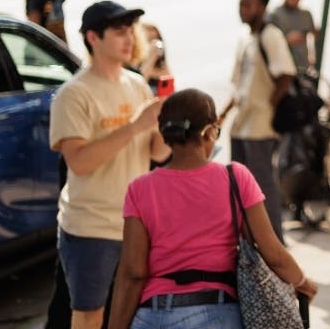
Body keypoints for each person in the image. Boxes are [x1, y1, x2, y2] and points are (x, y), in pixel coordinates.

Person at [108, 88, 316, 329]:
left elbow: (132, 273)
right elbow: (273, 254)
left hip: (153, 315)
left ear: (165, 137)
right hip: (216, 312)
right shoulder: (235, 178)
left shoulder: (139, 189)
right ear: (208, 132)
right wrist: (302, 282)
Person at [49, 1, 171, 329]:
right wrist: (135, 124)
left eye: (130, 30)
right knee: (89, 317)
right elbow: (79, 161)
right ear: (93, 37)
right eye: (119, 31)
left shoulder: (135, 84)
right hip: (91, 227)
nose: (129, 38)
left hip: (135, 226)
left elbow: (157, 155)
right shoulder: (73, 95)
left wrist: (164, 120)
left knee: (131, 315)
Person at [219, 0, 295, 242]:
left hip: (261, 124)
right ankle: (248, 239)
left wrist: (269, 107)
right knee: (239, 186)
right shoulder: (247, 39)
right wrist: (223, 113)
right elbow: (239, 85)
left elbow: (285, 74)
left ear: (261, 7)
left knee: (262, 185)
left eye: (247, 4)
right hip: (242, 123)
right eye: (241, 4)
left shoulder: (270, 35)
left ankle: (274, 242)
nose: (242, 9)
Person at [268, 0, 318, 75]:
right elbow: (269, 44)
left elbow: (314, 35)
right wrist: (286, 41)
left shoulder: (306, 15)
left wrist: (313, 56)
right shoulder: (274, 15)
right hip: (283, 70)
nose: (296, 0)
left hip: (304, 68)